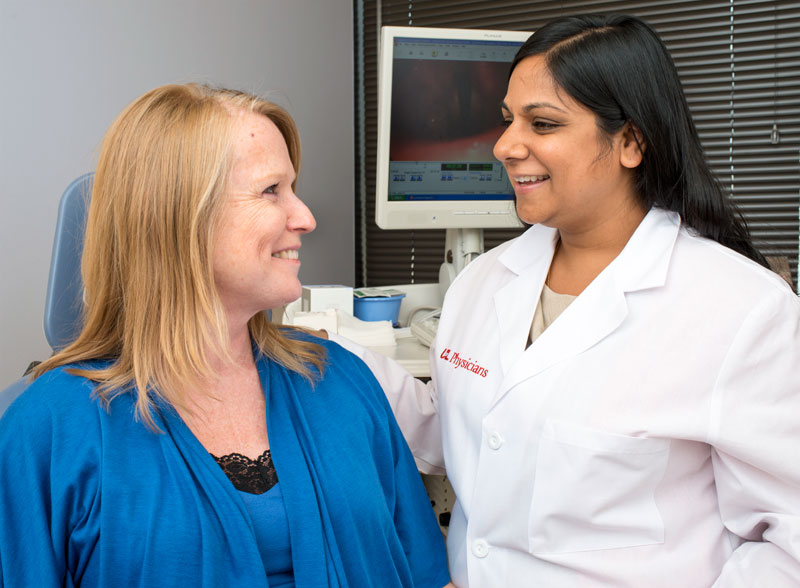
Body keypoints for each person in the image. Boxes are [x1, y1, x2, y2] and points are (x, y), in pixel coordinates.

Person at [332, 13, 800, 587]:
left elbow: (789, 540)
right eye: (508, 119)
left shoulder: (740, 309)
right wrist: (326, 353)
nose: (504, 146)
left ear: (631, 141)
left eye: (543, 123)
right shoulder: (485, 281)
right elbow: (473, 434)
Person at [0, 83, 452, 588]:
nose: (305, 218)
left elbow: (429, 576)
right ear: (176, 216)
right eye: (271, 190)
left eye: (293, 188)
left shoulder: (342, 381)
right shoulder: (48, 431)